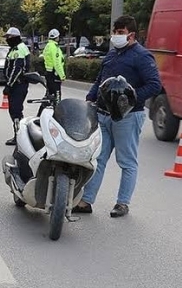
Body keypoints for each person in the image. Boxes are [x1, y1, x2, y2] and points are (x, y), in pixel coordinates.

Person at [74, 15, 161, 218]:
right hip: (103, 115)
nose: (116, 36)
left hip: (127, 117)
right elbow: (100, 80)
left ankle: (122, 203)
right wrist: (90, 97)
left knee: (127, 161)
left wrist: (129, 99)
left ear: (131, 35)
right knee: (98, 158)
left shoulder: (142, 56)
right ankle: (86, 201)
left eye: (120, 33)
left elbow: (154, 85)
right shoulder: (112, 55)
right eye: (115, 32)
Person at [2, 27, 31, 146]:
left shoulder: (20, 49)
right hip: (15, 85)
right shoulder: (14, 48)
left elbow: (17, 70)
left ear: (15, 37)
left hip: (18, 85)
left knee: (16, 111)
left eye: (8, 37)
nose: (7, 40)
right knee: (14, 111)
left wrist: (9, 85)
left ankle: (20, 137)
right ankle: (19, 135)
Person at [42, 29, 66, 103]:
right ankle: (56, 112)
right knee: (57, 96)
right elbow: (57, 63)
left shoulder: (47, 46)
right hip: (54, 74)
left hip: (48, 73)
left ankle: (43, 111)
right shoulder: (55, 47)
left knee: (49, 95)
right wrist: (62, 76)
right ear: (57, 37)